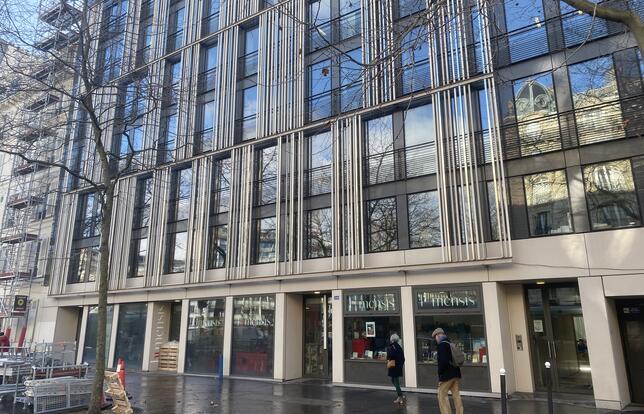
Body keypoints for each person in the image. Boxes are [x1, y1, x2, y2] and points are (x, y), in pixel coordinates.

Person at [432, 328, 463, 414]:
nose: (435, 339)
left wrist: (440, 373)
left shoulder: (442, 345)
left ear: (438, 335)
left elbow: (443, 361)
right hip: (456, 374)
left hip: (447, 376)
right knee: (456, 396)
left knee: (442, 396)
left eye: (435, 337)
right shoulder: (449, 343)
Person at [386, 333, 406, 405]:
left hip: (393, 366)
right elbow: (403, 358)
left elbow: (390, 355)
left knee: (395, 381)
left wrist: (388, 357)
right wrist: (400, 365)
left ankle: (400, 397)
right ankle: (400, 394)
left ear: (392, 339)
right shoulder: (399, 347)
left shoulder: (392, 346)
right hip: (398, 366)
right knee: (393, 380)